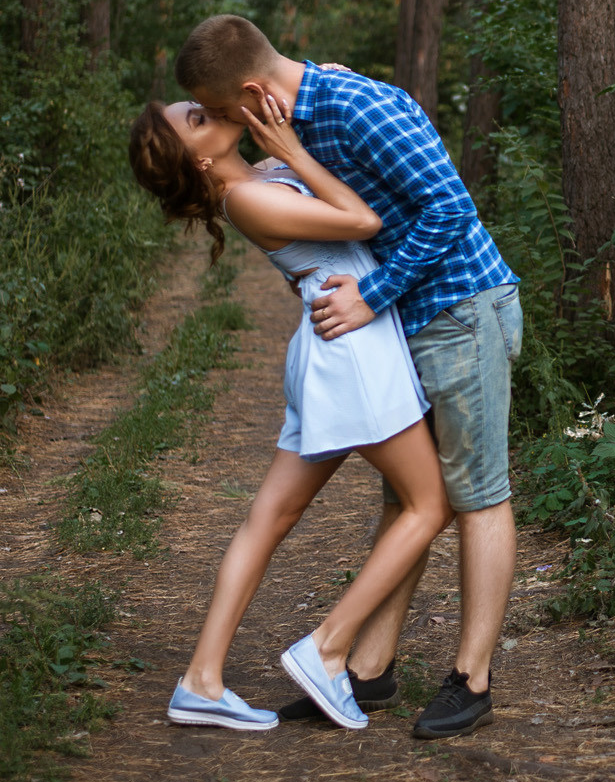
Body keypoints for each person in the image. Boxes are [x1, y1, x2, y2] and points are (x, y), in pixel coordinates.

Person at [174, 14, 521, 740]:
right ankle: (367, 667)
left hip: (461, 307)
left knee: (476, 493)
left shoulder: (356, 108)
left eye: (219, 110)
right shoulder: (286, 134)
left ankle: (472, 677)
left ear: (247, 93)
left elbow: (451, 208)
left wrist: (371, 293)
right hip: (406, 322)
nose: (227, 124)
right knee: (408, 498)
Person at [127, 91, 453, 731]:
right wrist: (295, 153)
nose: (206, 108)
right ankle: (328, 647)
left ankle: (201, 679)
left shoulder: (259, 176)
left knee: (270, 518)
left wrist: (308, 108)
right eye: (195, 119)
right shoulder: (246, 196)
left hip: (331, 347)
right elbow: (362, 223)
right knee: (429, 504)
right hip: (352, 351)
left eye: (197, 102)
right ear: (196, 162)